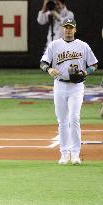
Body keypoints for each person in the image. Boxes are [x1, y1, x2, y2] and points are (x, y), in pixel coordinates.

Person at [40, 18, 98, 165]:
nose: (68, 30)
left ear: (75, 29)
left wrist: (86, 72)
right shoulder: (54, 45)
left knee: (74, 117)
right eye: (66, 27)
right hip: (59, 85)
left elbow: (94, 64)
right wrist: (49, 69)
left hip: (76, 87)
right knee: (62, 121)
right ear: (62, 28)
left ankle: (75, 153)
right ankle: (64, 153)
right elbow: (43, 62)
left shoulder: (83, 46)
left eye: (70, 27)